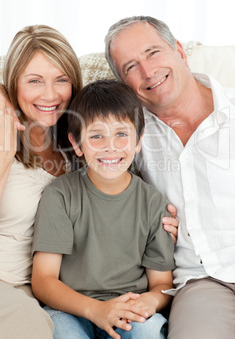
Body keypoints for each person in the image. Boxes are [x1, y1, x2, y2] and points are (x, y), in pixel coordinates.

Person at [104, 16, 235, 339]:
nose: (148, 72)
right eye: (131, 66)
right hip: (201, 282)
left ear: (179, 50)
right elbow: (55, 114)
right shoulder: (128, 136)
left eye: (153, 52)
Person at [31, 79, 175, 339]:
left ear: (138, 140)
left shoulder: (153, 203)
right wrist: (95, 310)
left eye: (122, 134)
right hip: (71, 309)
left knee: (149, 329)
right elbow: (44, 279)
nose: (110, 146)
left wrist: (150, 302)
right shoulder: (60, 195)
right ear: (76, 144)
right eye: (97, 136)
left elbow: (162, 284)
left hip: (128, 310)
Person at [0, 24, 83, 338]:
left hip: (26, 289)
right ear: (14, 84)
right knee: (24, 322)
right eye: (34, 81)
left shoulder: (79, 145)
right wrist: (3, 154)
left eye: (61, 79)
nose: (50, 94)